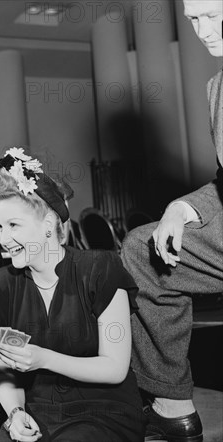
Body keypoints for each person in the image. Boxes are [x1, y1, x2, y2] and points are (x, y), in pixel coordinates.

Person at [0, 148, 145, 441]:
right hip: (39, 412)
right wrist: (15, 414)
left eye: (13, 225)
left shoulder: (100, 269)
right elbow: (6, 374)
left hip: (105, 413)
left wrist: (43, 358)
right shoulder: (1, 286)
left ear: (47, 226)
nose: (3, 239)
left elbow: (115, 367)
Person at [121, 1, 222, 440]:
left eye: (214, 14)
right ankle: (172, 407)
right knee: (143, 249)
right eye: (194, 19)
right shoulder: (217, 85)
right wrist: (180, 209)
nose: (203, 30)